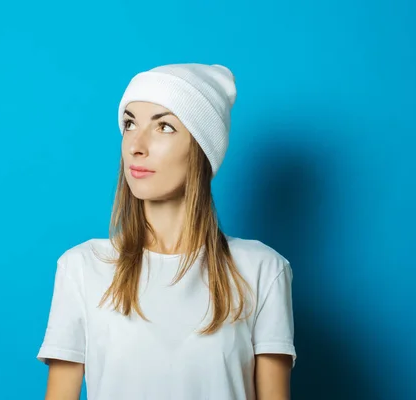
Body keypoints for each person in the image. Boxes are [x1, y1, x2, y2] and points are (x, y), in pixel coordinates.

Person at [36, 63, 297, 400]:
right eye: (130, 124)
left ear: (202, 148)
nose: (136, 145)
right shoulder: (82, 267)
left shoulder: (263, 269)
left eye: (164, 127)